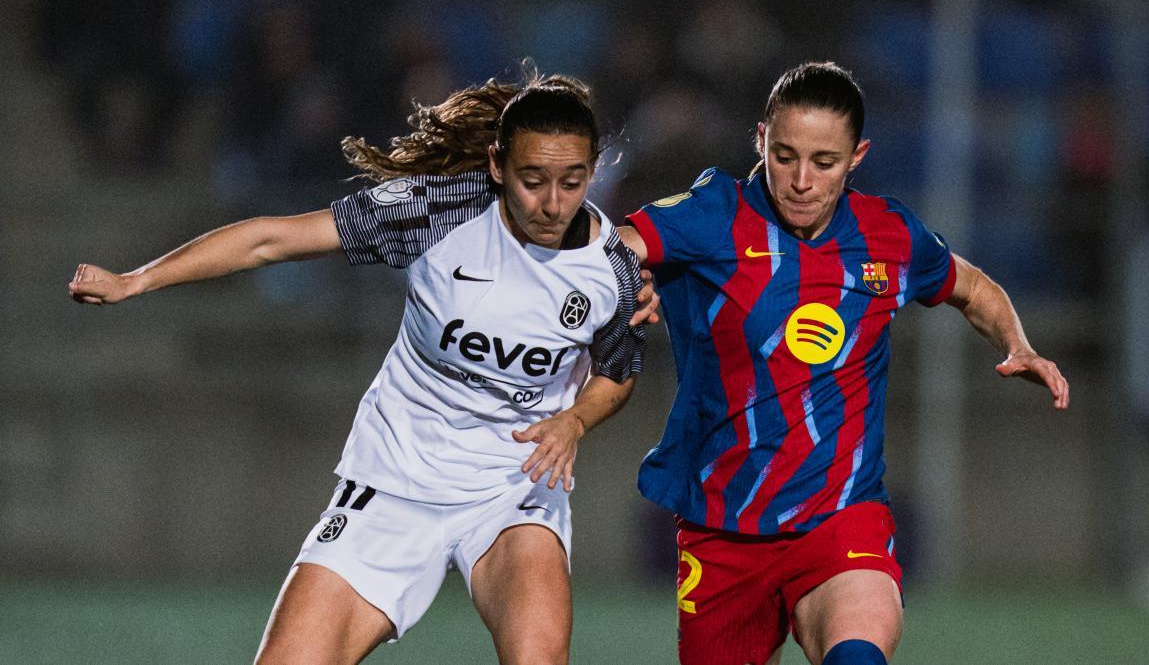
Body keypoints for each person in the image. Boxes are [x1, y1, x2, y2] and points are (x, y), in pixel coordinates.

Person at [68, 69, 654, 664]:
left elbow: (618, 369)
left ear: (593, 169)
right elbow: (270, 241)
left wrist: (574, 421)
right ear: (498, 165)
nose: (552, 203)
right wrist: (137, 280)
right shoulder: (432, 213)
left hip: (513, 488)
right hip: (395, 480)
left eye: (572, 181)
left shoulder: (615, 268)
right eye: (532, 181)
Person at [617, 62, 1070, 665]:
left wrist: (1018, 344)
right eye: (784, 156)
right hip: (723, 530)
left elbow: (971, 286)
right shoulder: (712, 214)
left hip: (840, 518)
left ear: (857, 156)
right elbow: (614, 245)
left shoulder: (887, 235)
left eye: (824, 163)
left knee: (858, 653)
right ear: (760, 140)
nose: (801, 180)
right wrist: (628, 283)